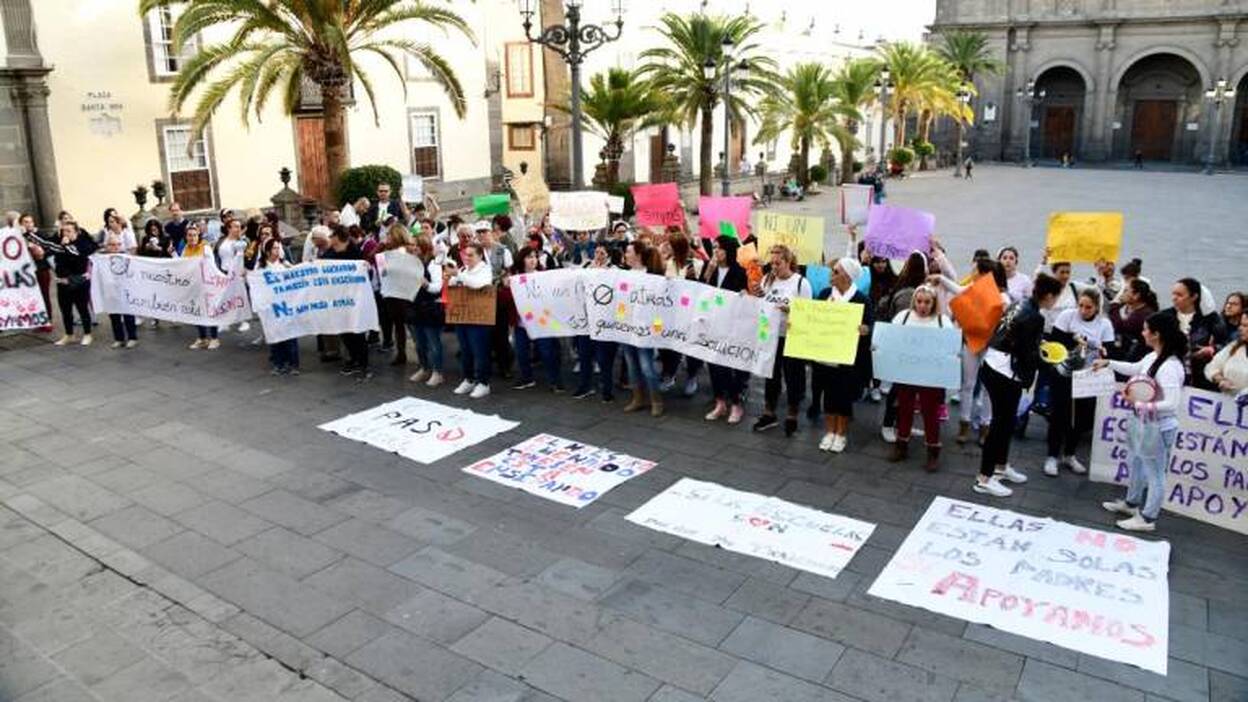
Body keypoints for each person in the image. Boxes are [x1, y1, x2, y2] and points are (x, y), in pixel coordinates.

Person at [1095, 312, 1187, 532]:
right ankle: (1131, 503)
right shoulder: (1154, 356)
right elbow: (1135, 368)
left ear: (1157, 334)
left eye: (1146, 329)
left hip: (1158, 426)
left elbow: (1172, 403)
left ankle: (1147, 518)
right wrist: (1109, 363)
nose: (1143, 332)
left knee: (1155, 474)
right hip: (1144, 422)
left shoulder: (1169, 366)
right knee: (1137, 462)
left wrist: (1139, 404)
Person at [974, 273, 1063, 496]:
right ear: (1049, 296)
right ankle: (984, 478)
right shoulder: (1035, 317)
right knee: (1000, 424)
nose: (1056, 301)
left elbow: (1015, 337)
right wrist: (1049, 364)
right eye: (1056, 297)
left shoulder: (1020, 304)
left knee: (1006, 422)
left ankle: (1000, 466)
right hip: (1005, 373)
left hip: (993, 364)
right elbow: (1027, 354)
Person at [931, 259, 1010, 446]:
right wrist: (940, 278)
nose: (972, 274)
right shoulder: (973, 289)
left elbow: (1004, 319)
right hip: (970, 342)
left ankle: (985, 425)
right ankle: (964, 423)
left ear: (985, 275)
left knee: (988, 389)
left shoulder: (1003, 297)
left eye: (976, 271)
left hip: (991, 347)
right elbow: (958, 290)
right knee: (967, 384)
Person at [1043, 288, 1114, 477]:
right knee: (1059, 414)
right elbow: (1055, 341)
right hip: (1064, 372)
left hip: (1087, 376)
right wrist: (1074, 340)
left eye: (1088, 307)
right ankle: (1052, 456)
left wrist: (1102, 351)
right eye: (1081, 306)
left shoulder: (1104, 324)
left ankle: (1070, 454)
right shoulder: (1067, 316)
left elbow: (1109, 349)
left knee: (1080, 417)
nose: (1083, 310)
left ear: (1096, 308)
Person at [810, 256, 873, 453]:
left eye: (836, 271)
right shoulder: (825, 294)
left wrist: (866, 330)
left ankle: (841, 433)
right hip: (826, 355)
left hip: (848, 359)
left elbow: (871, 325)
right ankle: (830, 431)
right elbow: (813, 318)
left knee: (843, 396)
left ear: (847, 276)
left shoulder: (861, 300)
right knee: (828, 395)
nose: (831, 274)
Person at [887, 285, 953, 470]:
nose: (922, 306)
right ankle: (901, 445)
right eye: (919, 301)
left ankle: (933, 451)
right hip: (906, 371)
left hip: (931, 375)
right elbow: (890, 338)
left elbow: (950, 347)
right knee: (904, 409)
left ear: (934, 303)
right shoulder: (903, 317)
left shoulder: (942, 321)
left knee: (930, 412)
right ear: (914, 301)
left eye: (927, 302)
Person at [752, 244, 812, 437]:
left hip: (792, 336)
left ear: (788, 262)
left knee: (793, 376)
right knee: (771, 374)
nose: (774, 267)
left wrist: (791, 311)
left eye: (778, 263)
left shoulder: (801, 283)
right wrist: (755, 296)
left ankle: (792, 414)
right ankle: (769, 412)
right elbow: (762, 305)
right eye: (772, 263)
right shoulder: (767, 280)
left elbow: (808, 313)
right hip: (771, 335)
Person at [702, 235, 750, 424]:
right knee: (713, 366)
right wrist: (708, 272)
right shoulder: (711, 268)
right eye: (714, 247)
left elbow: (745, 296)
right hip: (712, 324)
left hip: (731, 327)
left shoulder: (739, 271)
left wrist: (745, 294)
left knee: (728, 367)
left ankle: (736, 404)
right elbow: (701, 291)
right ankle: (720, 402)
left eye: (719, 248)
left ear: (729, 250)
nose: (716, 251)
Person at [618, 240, 666, 416]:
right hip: (627, 328)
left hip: (645, 329)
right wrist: (621, 320)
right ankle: (637, 398)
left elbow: (660, 304)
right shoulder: (624, 276)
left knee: (647, 365)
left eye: (628, 252)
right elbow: (621, 301)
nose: (626, 255)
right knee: (632, 365)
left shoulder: (652, 276)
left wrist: (657, 327)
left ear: (638, 255)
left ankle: (656, 400)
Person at [508, 248, 564, 393]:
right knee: (521, 352)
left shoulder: (543, 276)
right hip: (521, 323)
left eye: (534, 257)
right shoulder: (515, 277)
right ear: (522, 260)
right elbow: (507, 300)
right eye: (529, 257)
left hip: (541, 321)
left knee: (547, 351)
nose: (533, 260)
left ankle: (555, 380)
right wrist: (507, 287)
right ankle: (527, 378)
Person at [35, 219, 98, 346]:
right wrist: (40, 251)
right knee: (65, 310)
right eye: (64, 231)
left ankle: (87, 334)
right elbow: (47, 246)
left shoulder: (82, 243)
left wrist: (66, 245)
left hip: (79, 282)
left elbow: (76, 253)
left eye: (69, 231)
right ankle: (69, 335)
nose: (66, 234)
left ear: (76, 232)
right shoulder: (60, 244)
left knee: (82, 309)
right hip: (62, 282)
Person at [572, 244, 622, 402]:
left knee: (603, 358)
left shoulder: (614, 270)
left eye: (602, 253)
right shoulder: (587, 266)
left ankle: (607, 390)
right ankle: (585, 386)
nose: (598, 256)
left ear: (608, 256)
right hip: (587, 321)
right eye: (596, 252)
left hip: (604, 322)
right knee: (584, 355)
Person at [1160, 277, 1228, 391]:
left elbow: (1226, 344)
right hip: (1170, 373)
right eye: (1173, 294)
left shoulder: (1210, 319)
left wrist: (1212, 349)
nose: (1174, 298)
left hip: (1201, 375)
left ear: (1194, 297)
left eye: (1179, 295)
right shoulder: (1164, 316)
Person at [321, 227, 372, 380]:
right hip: (338, 299)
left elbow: (364, 272)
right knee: (344, 331)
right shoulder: (331, 252)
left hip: (354, 299)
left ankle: (364, 365)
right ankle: (353, 358)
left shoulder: (355, 252)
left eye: (333, 236)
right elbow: (321, 264)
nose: (331, 239)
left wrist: (366, 268)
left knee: (357, 333)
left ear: (339, 237)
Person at [658, 233, 704, 396]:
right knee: (667, 346)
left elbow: (703, 288)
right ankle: (669, 374)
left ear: (677, 247)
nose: (667, 247)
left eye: (670, 245)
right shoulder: (668, 263)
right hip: (671, 313)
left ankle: (692, 376)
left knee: (691, 347)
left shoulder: (696, 264)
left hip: (690, 313)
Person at [447, 243, 494, 399]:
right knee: (465, 350)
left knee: (480, 351)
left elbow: (477, 284)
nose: (467, 258)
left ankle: (483, 383)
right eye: (465, 255)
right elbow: (452, 285)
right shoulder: (463, 269)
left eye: (471, 255)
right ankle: (469, 379)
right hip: (463, 315)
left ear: (480, 255)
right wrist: (453, 277)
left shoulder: (485, 270)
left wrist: (458, 275)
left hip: (479, 318)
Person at [378, 223, 422, 366]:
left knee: (412, 326)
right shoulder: (384, 253)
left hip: (407, 293)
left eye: (389, 234)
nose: (387, 237)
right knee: (398, 326)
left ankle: (423, 356)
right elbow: (382, 273)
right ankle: (401, 353)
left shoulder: (409, 252)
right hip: (391, 294)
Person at [407, 233, 445, 387]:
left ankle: (437, 372)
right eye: (412, 245)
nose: (413, 248)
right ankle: (424, 368)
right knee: (419, 342)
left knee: (433, 342)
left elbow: (438, 287)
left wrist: (426, 284)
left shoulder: (433, 264)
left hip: (429, 307)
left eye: (415, 245)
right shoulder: (411, 263)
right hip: (414, 306)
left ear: (423, 246)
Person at [259, 238, 300, 375]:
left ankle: (293, 364)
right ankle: (278, 363)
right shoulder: (261, 268)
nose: (278, 251)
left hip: (286, 306)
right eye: (275, 248)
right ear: (267, 251)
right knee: (275, 336)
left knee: (290, 335)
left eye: (278, 248)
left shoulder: (285, 265)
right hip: (271, 307)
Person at [181, 225, 220, 350]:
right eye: (189, 235)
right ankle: (202, 338)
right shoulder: (185, 249)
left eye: (194, 235)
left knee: (210, 311)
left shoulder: (205, 248)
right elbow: (181, 265)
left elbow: (211, 266)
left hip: (206, 285)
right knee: (196, 312)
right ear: (186, 237)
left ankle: (214, 338)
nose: (192, 238)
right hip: (193, 285)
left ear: (198, 236)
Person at [100, 232, 138, 349]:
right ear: (107, 246)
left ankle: (132, 338)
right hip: (110, 291)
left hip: (125, 291)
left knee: (128, 315)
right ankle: (118, 338)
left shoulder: (127, 257)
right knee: (114, 316)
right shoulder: (102, 259)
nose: (116, 247)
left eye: (118, 244)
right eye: (112, 245)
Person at [1108, 278, 1158, 362]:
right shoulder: (1141, 310)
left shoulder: (1143, 315)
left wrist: (1114, 305)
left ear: (1136, 295)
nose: (1123, 293)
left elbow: (1120, 326)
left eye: (1126, 291)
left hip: (1141, 356)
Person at [18, 214, 53, 328]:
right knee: (31, 297)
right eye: (26, 222)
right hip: (26, 272)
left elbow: (50, 248)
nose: (29, 224)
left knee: (44, 294)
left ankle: (48, 320)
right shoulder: (19, 237)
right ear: (21, 224)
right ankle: (37, 319)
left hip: (41, 269)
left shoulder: (40, 234)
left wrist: (42, 252)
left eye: (31, 221)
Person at [1206, 314, 1248, 395]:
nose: (1240, 328)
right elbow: (1211, 367)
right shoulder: (1234, 347)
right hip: (1227, 400)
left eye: (1245, 326)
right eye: (1240, 325)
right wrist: (1221, 380)